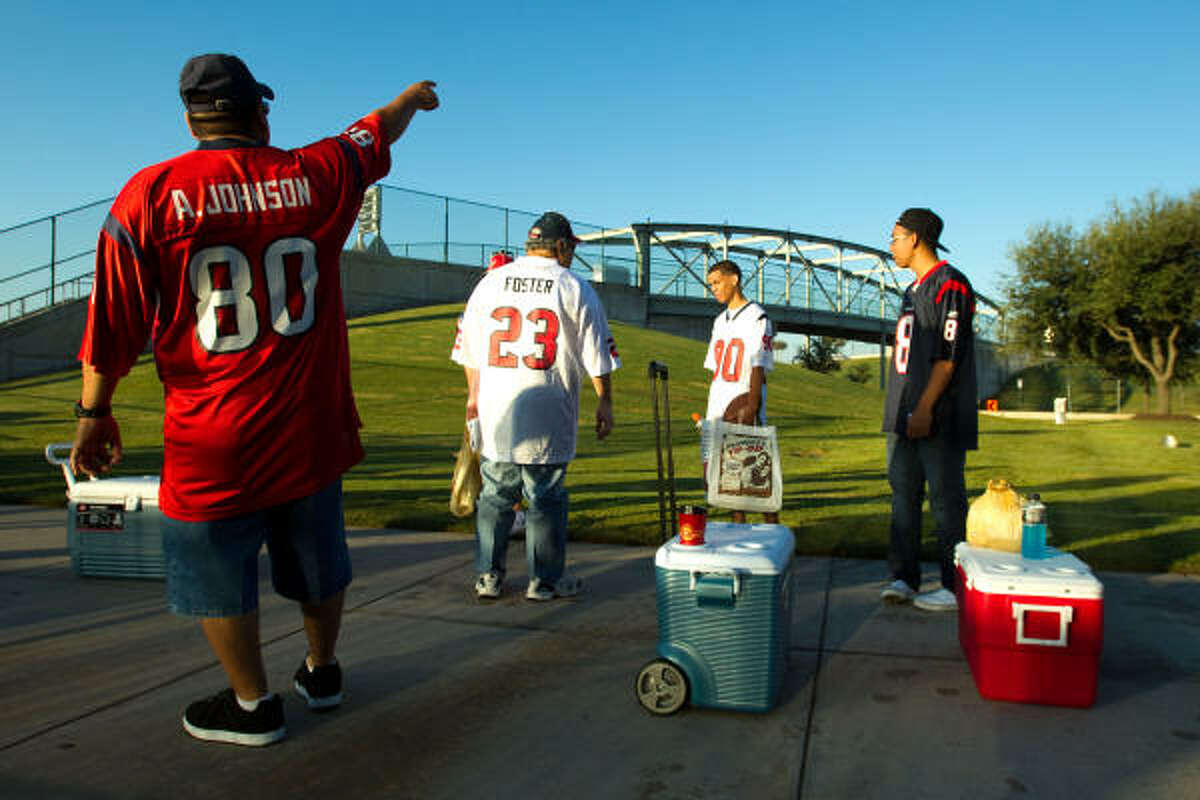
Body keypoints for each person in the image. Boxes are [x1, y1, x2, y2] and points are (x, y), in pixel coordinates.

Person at [69, 53, 438, 746]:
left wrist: (94, 413)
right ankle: (321, 671)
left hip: (212, 431)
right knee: (319, 559)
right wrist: (411, 99)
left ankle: (251, 702)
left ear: (189, 117)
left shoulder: (147, 194)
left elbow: (112, 322)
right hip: (309, 421)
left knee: (216, 570)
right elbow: (373, 131)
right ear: (260, 112)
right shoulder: (313, 174)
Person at [452, 212, 619, 600]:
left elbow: (469, 351)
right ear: (560, 246)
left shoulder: (490, 282)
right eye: (572, 247)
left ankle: (488, 576)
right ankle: (543, 580)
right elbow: (597, 354)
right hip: (548, 406)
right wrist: (605, 401)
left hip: (498, 410)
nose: (573, 254)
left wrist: (474, 397)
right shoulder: (573, 286)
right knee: (546, 497)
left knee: (495, 496)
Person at [879, 208, 978, 612]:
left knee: (945, 501)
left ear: (916, 238)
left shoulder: (950, 284)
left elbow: (947, 357)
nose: (891, 246)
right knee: (903, 496)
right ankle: (904, 576)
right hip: (903, 413)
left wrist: (924, 408)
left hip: (936, 414)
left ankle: (955, 587)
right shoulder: (911, 291)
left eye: (895, 236)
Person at [703, 259, 779, 524]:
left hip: (743, 399)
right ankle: (738, 531)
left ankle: (774, 531)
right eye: (710, 284)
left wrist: (753, 404)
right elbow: (715, 369)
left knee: (757, 474)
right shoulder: (719, 321)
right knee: (726, 478)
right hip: (718, 402)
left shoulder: (757, 315)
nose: (713, 288)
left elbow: (758, 364)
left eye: (716, 282)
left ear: (733, 279)